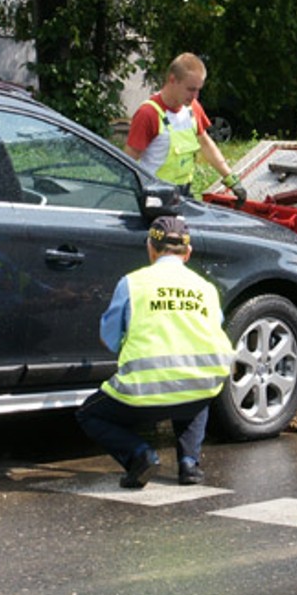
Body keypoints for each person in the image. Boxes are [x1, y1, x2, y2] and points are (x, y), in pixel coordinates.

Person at [76, 214, 234, 489]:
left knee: (89, 414)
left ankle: (140, 455)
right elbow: (213, 329)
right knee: (196, 388)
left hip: (142, 393)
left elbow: (109, 339)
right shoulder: (206, 288)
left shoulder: (132, 283)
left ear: (150, 248)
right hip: (199, 390)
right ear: (188, 252)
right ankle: (189, 464)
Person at [125, 52, 245, 201]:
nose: (195, 96)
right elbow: (128, 161)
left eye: (198, 89)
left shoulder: (192, 108)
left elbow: (205, 144)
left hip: (184, 193)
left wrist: (230, 178)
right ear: (172, 80)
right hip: (155, 196)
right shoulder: (148, 114)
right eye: (191, 89)